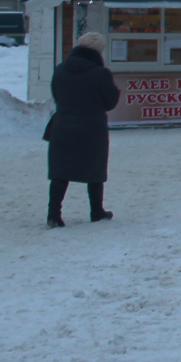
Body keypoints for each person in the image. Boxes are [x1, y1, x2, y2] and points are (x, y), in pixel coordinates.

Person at [44, 31, 120, 228]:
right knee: (94, 169)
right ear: (98, 52)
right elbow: (110, 102)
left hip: (62, 126)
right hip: (91, 128)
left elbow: (56, 95)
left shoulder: (61, 69)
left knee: (60, 172)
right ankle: (96, 211)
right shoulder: (100, 73)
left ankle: (53, 214)